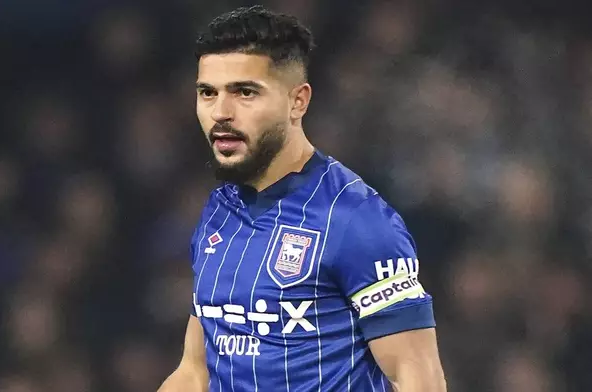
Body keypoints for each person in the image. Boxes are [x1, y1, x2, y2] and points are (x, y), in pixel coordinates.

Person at [159, 5, 446, 392]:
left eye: (245, 92)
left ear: (298, 101)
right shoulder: (219, 212)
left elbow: (419, 379)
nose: (220, 112)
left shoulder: (355, 219)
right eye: (208, 93)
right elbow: (195, 372)